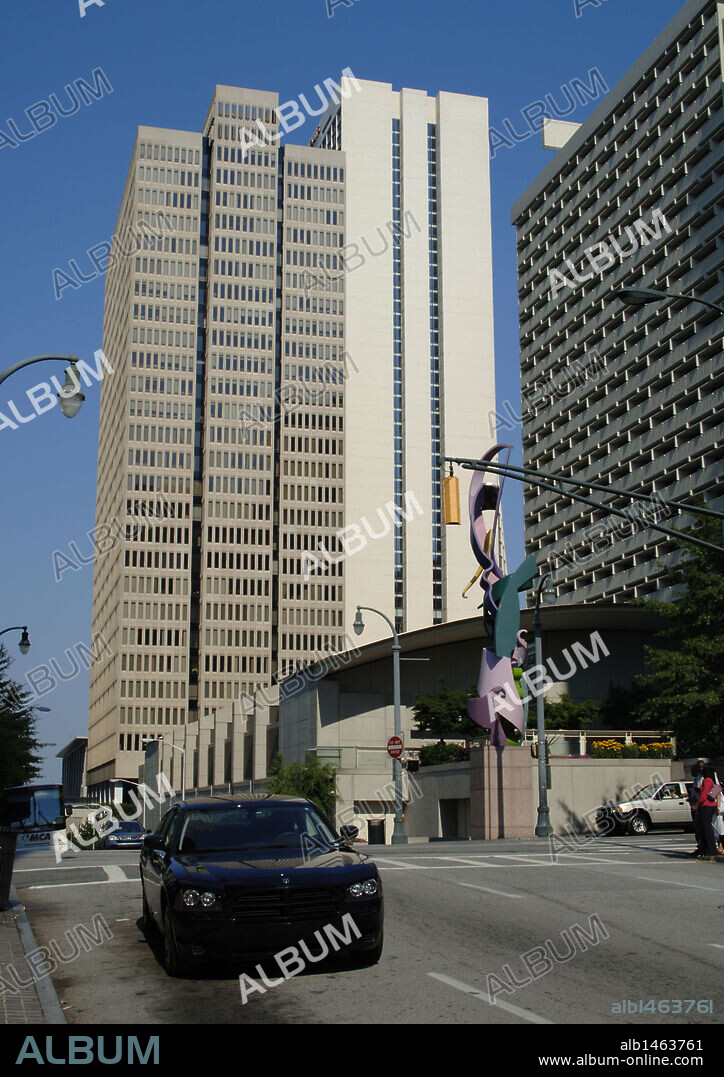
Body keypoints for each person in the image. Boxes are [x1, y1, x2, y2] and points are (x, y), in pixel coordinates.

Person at [694, 764, 720, 862]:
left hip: (706, 806)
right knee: (706, 828)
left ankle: (711, 849)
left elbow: (704, 795)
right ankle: (705, 849)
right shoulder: (711, 780)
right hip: (710, 806)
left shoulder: (707, 780)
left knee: (706, 829)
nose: (702, 773)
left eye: (703, 771)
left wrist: (696, 805)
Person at [688, 761, 705, 856]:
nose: (700, 769)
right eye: (699, 767)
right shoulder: (697, 777)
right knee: (697, 828)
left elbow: (703, 794)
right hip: (694, 804)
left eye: (702, 767)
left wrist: (696, 802)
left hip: (699, 805)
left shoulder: (704, 778)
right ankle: (699, 846)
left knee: (700, 828)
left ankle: (702, 848)